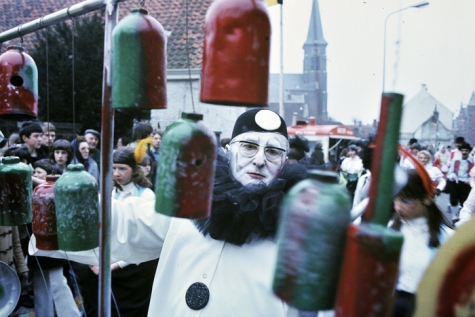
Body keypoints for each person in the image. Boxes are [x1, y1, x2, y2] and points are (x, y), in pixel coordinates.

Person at [32, 109, 308, 316]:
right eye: (249, 146)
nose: (259, 160)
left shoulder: (297, 233)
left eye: (272, 151)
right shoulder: (187, 205)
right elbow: (126, 223)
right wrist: (50, 205)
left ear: (285, 162)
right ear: (227, 151)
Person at [80, 147, 158, 317]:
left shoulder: (146, 197)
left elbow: (144, 241)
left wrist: (114, 264)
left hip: (135, 266)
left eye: (123, 168)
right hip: (112, 257)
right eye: (114, 168)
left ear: (135, 170)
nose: (117, 173)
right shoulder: (113, 192)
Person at [390, 168, 454, 317]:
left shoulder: (447, 238)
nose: (398, 207)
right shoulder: (391, 230)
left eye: (406, 200)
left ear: (427, 198)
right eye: (396, 199)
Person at [29, 159, 81, 317]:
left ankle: (70, 314)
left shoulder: (57, 192)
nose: (36, 174)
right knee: (40, 286)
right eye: (35, 171)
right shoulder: (36, 192)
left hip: (53, 246)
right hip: (37, 245)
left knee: (58, 284)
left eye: (39, 172)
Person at [447, 142, 473, 223]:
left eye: (466, 151)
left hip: (466, 184)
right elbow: (450, 172)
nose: (464, 152)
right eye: (462, 150)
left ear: (469, 152)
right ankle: (454, 216)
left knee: (464, 201)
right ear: (460, 151)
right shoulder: (456, 159)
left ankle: (461, 218)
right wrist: (453, 175)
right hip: (456, 182)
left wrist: (470, 180)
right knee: (453, 200)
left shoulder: (472, 161)